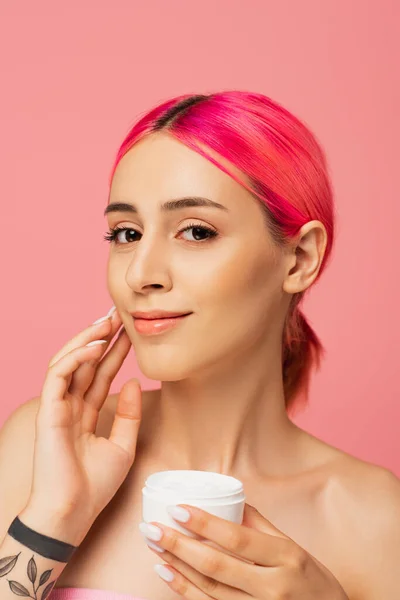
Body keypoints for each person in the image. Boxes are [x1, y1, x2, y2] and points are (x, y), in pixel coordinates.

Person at [0, 91, 398, 600]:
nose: (140, 274)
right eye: (126, 234)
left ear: (299, 259)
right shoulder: (44, 449)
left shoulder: (374, 519)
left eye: (195, 231)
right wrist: (53, 515)